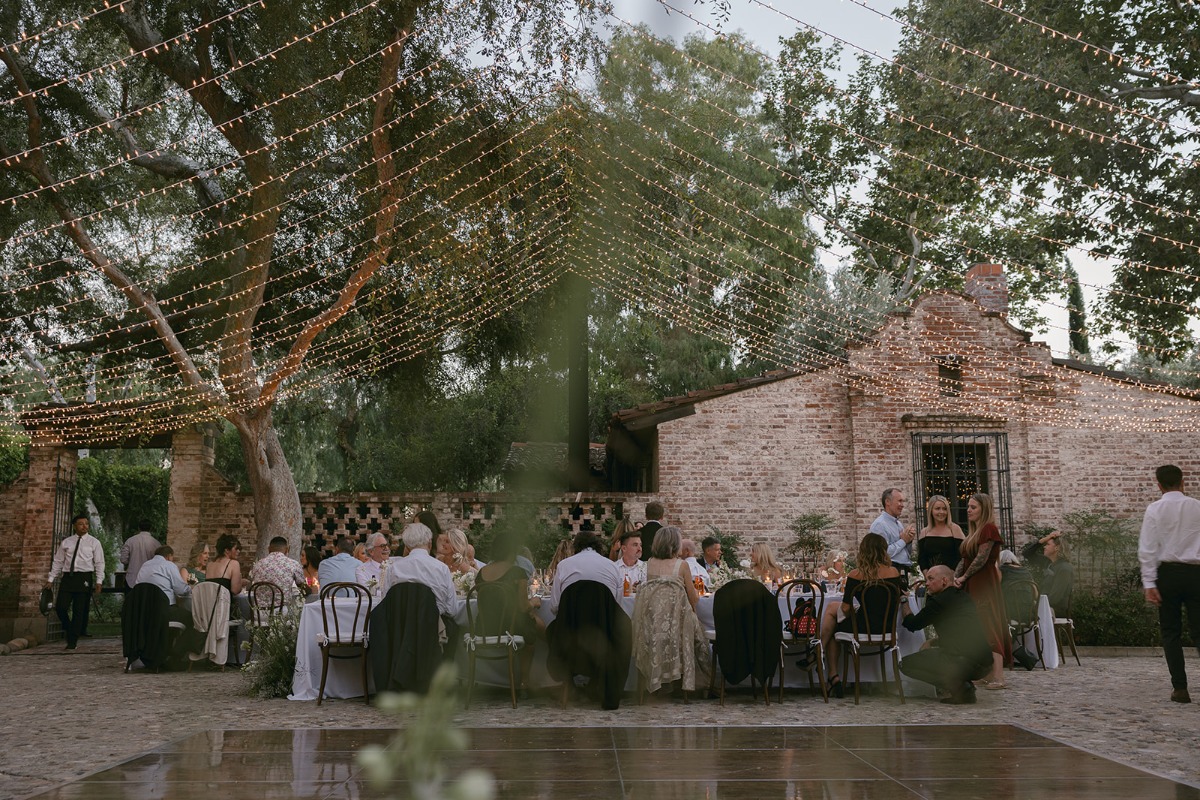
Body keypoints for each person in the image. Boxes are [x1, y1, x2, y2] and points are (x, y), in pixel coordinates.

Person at [1138, 464, 1200, 704]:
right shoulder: (1197, 507)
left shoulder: (1155, 509)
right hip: (1196, 574)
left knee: (1171, 632)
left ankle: (1180, 688)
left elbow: (1148, 548)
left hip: (1168, 575)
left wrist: (1149, 582)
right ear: (1183, 482)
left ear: (1159, 484)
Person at [821, 533, 903, 698]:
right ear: (883, 551)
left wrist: (856, 610)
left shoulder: (855, 575)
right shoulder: (894, 572)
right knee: (833, 615)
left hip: (861, 629)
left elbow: (844, 609)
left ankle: (824, 662)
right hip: (885, 628)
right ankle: (828, 668)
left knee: (833, 619)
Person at [897, 565, 995, 704]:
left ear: (944, 581)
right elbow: (960, 630)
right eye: (926, 580)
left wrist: (903, 601)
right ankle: (962, 686)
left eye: (931, 579)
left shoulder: (940, 601)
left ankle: (960, 688)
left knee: (905, 665)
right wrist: (932, 641)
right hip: (985, 662)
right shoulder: (963, 596)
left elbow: (912, 624)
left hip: (963, 662)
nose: (927, 583)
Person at [633, 524, 711, 694]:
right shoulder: (682, 565)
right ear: (675, 545)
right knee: (701, 637)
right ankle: (706, 683)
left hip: (653, 624)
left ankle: (658, 680)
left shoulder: (649, 564)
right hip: (678, 625)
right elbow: (693, 597)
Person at [475, 529, 545, 697]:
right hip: (510, 628)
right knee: (531, 633)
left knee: (533, 624)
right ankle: (525, 682)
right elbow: (523, 606)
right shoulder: (517, 572)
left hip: (484, 628)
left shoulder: (481, 573)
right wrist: (535, 601)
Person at [954, 493, 1012, 687]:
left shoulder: (989, 528)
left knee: (990, 626)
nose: (968, 510)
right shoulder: (974, 532)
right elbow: (965, 559)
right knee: (979, 627)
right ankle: (988, 673)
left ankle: (999, 676)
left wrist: (963, 577)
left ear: (984, 509)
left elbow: (981, 558)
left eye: (973, 507)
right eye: (968, 506)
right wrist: (956, 577)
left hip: (984, 584)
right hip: (973, 583)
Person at [45, 514, 104, 651]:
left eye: (86, 524)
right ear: (74, 526)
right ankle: (70, 628)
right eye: (81, 524)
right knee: (61, 607)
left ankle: (72, 641)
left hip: (84, 577)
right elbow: (58, 561)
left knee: (79, 610)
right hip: (68, 577)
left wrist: (99, 581)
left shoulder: (94, 542)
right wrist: (51, 578)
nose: (84, 526)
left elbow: (99, 562)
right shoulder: (67, 542)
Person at [384, 522, 462, 619]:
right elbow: (452, 610)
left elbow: (385, 605)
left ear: (407, 547)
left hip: (399, 629)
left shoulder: (393, 569)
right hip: (433, 629)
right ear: (429, 543)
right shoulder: (441, 568)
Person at [548, 530, 622, 615]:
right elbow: (617, 605)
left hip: (570, 625)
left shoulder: (563, 566)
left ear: (575, 547)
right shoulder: (613, 567)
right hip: (605, 625)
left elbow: (554, 606)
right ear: (598, 546)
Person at [999, 549, 1041, 671]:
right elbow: (1036, 594)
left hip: (1010, 615)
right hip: (1028, 615)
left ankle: (1003, 657)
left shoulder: (1002, 571)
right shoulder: (1025, 571)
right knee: (1012, 622)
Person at [136, 545, 193, 626]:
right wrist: (190, 588)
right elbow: (181, 590)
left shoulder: (144, 565)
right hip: (165, 609)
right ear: (169, 556)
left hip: (145, 610)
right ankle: (173, 638)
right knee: (193, 619)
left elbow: (137, 586)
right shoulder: (169, 565)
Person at [1021, 531, 1074, 617]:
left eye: (1048, 544)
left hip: (1054, 611)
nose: (1044, 547)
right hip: (1044, 607)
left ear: (1057, 548)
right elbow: (1027, 554)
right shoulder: (1047, 562)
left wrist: (1037, 605)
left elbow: (1056, 597)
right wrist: (1045, 538)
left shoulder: (1064, 568)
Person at [870, 488, 916, 574]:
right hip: (889, 571)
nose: (902, 505)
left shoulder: (898, 523)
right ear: (887, 502)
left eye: (903, 501)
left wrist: (909, 540)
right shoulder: (880, 525)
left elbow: (904, 552)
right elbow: (882, 553)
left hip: (901, 570)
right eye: (899, 501)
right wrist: (903, 541)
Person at [249, 536, 306, 604]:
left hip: (259, 611)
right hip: (282, 611)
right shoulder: (293, 564)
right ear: (287, 549)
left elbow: (251, 584)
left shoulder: (257, 565)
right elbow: (302, 587)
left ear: (269, 549)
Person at [917, 495, 964, 572]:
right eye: (937, 509)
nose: (941, 512)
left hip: (952, 578)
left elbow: (961, 556)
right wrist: (928, 577)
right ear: (931, 510)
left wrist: (951, 575)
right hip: (932, 579)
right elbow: (922, 559)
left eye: (944, 509)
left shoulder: (955, 529)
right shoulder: (924, 532)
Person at [120, 522, 160, 589]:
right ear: (151, 529)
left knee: (131, 599)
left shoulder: (130, 541)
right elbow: (159, 562)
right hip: (149, 580)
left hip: (132, 579)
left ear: (139, 528)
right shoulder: (156, 543)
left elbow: (123, 560)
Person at [614, 526, 646, 593]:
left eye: (640, 545)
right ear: (624, 548)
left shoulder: (645, 568)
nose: (639, 548)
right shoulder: (614, 568)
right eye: (635, 545)